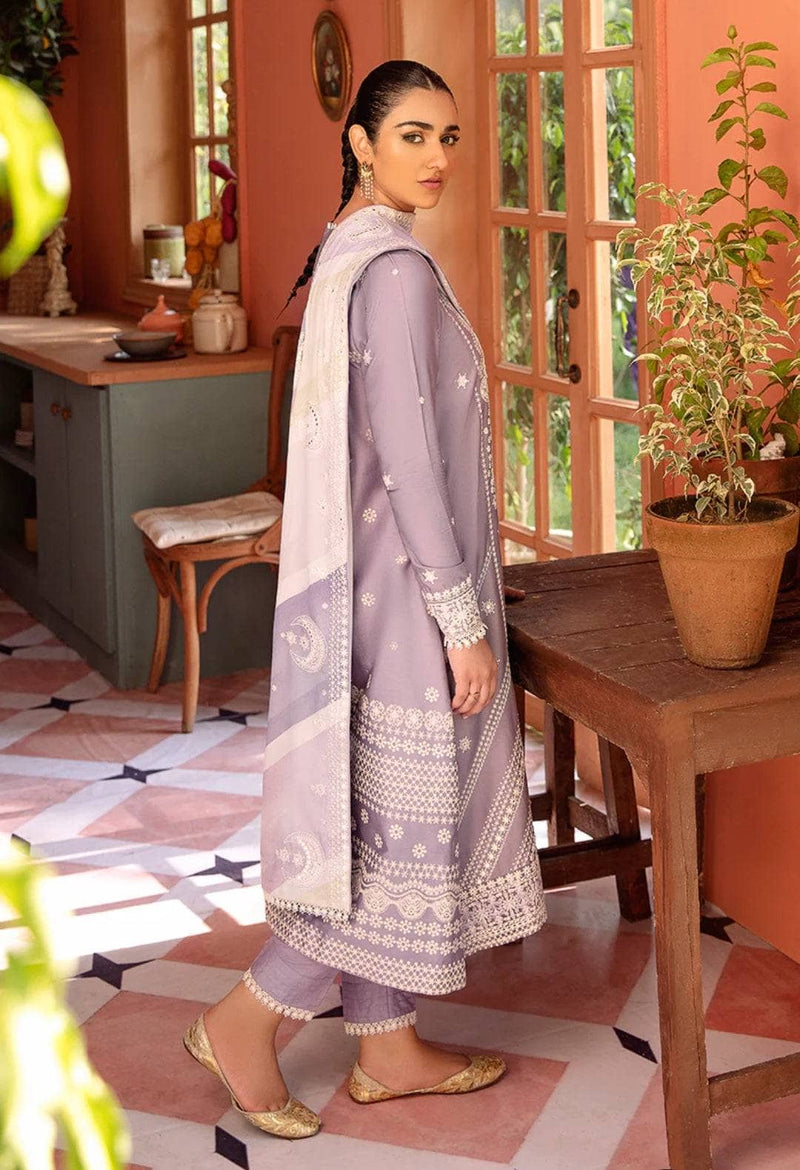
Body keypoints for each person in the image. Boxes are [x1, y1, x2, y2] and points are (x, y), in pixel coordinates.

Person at [183, 60, 546, 1141]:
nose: (437, 158)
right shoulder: (390, 269)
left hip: (368, 592)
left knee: (384, 820)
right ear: (361, 143)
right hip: (406, 599)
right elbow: (409, 464)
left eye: (448, 137)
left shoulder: (350, 247)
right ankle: (245, 1022)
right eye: (413, 136)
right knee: (392, 839)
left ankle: (386, 1045)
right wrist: (460, 622)